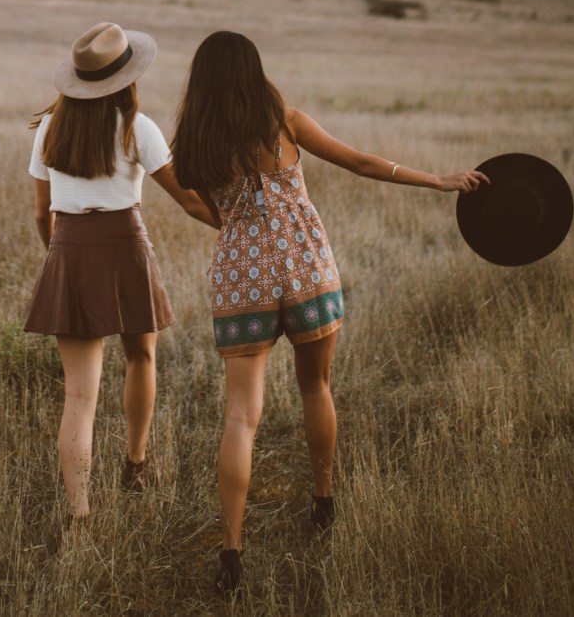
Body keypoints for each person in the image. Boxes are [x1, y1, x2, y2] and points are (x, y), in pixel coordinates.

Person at [171, 31, 488, 594]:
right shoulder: (285, 121)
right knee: (316, 386)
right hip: (305, 266)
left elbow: (198, 201)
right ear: (254, 71)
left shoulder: (192, 141)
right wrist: (438, 180)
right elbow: (361, 162)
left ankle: (231, 553)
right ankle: (323, 500)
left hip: (241, 274)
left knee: (242, 416)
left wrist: (241, 231)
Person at [26, 22, 218, 521]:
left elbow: (40, 212)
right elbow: (189, 202)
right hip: (126, 247)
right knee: (141, 358)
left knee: (78, 395)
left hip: (69, 247)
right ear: (125, 78)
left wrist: (59, 257)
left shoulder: (51, 128)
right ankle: (135, 462)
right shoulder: (138, 127)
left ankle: (80, 514)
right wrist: (238, 224)